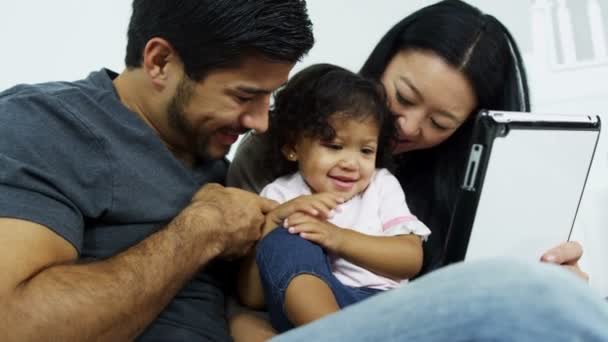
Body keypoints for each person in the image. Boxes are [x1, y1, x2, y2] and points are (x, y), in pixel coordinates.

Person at [226, 0, 601, 340]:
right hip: (300, 322)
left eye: (440, 122)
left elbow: (432, 274)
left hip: (402, 318)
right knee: (286, 241)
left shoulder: (400, 188)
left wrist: (550, 282)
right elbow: (240, 300)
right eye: (403, 97)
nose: (407, 126)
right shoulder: (273, 148)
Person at [0, 0, 314, 340]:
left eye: (269, 97)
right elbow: (13, 323)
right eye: (243, 96)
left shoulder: (224, 170)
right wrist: (202, 231)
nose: (260, 122)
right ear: (161, 62)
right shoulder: (43, 124)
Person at [236, 64, 431, 332]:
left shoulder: (380, 185)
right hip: (302, 316)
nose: (351, 163)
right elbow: (251, 297)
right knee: (284, 240)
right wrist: (273, 221)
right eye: (335, 146)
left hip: (377, 306)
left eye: (365, 150)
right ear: (293, 147)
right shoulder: (279, 195)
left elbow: (410, 260)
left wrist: (336, 237)